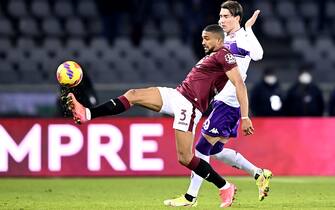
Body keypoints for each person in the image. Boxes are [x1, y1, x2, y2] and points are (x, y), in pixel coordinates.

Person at [66, 24, 254, 208]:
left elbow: (239, 84)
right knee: (133, 95)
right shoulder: (212, 56)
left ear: (219, 39)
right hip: (178, 95)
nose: (203, 42)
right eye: (202, 38)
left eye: (206, 38)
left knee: (185, 158)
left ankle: (225, 187)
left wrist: (244, 117)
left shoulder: (224, 55)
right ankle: (87, 113)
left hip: (189, 106)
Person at [164, 1, 272, 207]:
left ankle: (190, 197)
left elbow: (258, 55)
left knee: (202, 148)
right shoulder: (225, 38)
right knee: (215, 150)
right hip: (220, 101)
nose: (221, 20)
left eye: (226, 16)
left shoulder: (241, 39)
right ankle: (259, 173)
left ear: (237, 18)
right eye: (220, 16)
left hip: (228, 103)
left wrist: (249, 30)